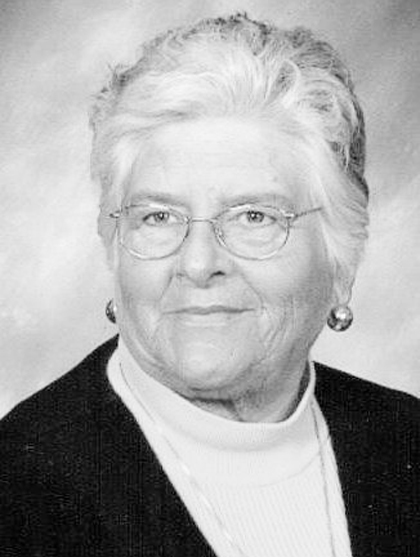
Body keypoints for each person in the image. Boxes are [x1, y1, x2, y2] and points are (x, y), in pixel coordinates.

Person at [0, 12, 419, 557]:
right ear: (113, 244)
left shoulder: (406, 441)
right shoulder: (20, 487)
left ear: (343, 259)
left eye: (254, 217)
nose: (198, 264)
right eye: (158, 217)